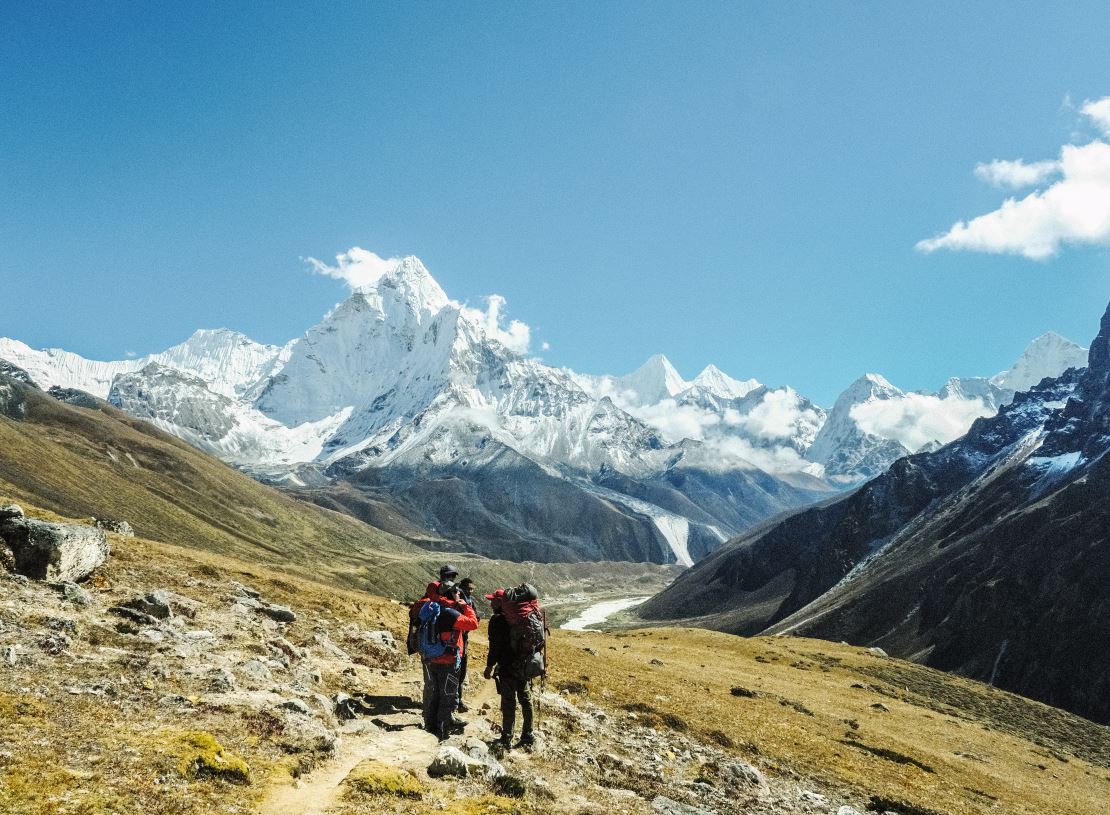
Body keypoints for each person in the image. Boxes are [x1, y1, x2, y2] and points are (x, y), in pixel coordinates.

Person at [418, 581, 478, 740]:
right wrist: (465, 605)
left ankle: (431, 725)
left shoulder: (431, 608)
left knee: (436, 692)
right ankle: (443, 730)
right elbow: (473, 624)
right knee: (448, 695)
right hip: (448, 659)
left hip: (432, 658)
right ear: (452, 594)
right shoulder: (451, 613)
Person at [483, 587, 539, 749]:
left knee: (508, 702)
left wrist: (489, 666)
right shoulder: (518, 618)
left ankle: (507, 737)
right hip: (523, 664)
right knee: (526, 700)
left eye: (493, 600)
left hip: (507, 667)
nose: (490, 602)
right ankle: (528, 735)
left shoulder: (496, 621)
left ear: (500, 602)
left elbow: (495, 647)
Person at [456, 577, 479, 713]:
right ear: (462, 587)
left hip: (463, 639)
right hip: (457, 640)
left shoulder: (469, 602)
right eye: (468, 589)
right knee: (457, 671)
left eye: (472, 589)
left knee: (461, 672)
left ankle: (457, 701)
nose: (470, 591)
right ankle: (455, 702)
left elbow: (476, 618)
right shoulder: (459, 601)